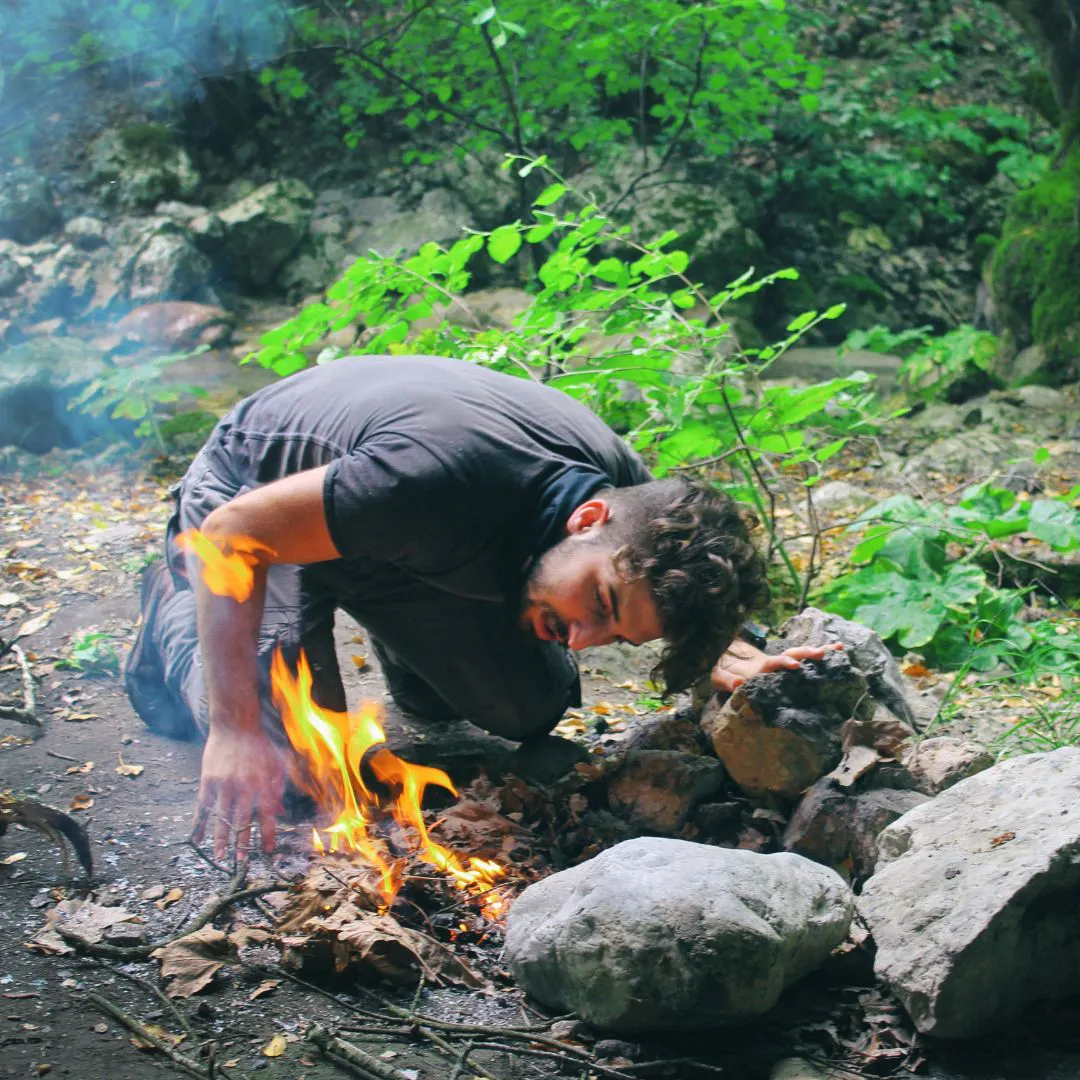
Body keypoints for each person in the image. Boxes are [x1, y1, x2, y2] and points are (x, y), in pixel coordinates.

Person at [125, 354, 830, 859]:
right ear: (585, 520)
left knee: (525, 707)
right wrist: (235, 725)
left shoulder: (633, 513)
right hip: (257, 508)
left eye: (617, 633)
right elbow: (233, 537)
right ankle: (173, 613)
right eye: (599, 603)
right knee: (291, 773)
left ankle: (403, 636)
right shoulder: (432, 479)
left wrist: (719, 646)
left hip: (388, 540)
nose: (582, 639)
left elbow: (675, 566)